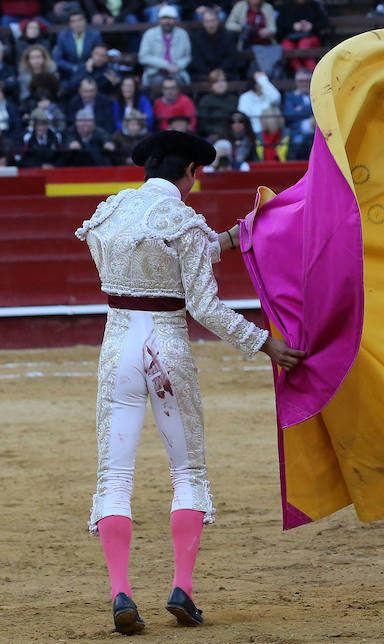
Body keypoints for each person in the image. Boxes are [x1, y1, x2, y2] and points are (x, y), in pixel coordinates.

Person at [74, 130, 304, 635]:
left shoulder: (109, 213)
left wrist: (224, 240)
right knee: (187, 473)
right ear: (191, 174)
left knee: (114, 478)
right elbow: (201, 303)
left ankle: (120, 593)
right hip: (167, 351)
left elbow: (149, 259)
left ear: (146, 170)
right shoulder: (185, 221)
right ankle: (182, 588)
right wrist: (264, 342)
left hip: (118, 350)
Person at [226, 0, 282, 77]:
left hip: (264, 44)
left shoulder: (268, 7)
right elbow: (229, 24)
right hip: (245, 43)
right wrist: (242, 28)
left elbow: (273, 28)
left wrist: (267, 31)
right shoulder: (240, 6)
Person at [138, 6, 192, 86]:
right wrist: (166, 65)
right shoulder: (149, 34)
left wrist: (178, 66)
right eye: (164, 18)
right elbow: (143, 57)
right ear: (159, 20)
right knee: (158, 82)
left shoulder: (182, 34)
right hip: (155, 73)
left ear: (175, 20)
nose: (167, 21)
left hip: (177, 73)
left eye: (171, 19)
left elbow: (188, 56)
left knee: (179, 83)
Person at [277, 0, 330, 72]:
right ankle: (301, 73)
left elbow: (325, 22)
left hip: (311, 37)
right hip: (291, 38)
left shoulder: (314, 5)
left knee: (304, 44)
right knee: (286, 45)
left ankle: (314, 73)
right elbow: (280, 25)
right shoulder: (286, 6)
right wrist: (293, 26)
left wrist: (311, 26)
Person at [189, 9, 240, 81]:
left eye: (213, 21)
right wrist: (210, 73)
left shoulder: (228, 36)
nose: (210, 24)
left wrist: (219, 72)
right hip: (204, 73)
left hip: (225, 72)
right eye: (207, 21)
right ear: (203, 23)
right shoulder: (196, 38)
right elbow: (196, 59)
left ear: (217, 21)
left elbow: (231, 57)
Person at [52, 10, 103, 81]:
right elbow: (58, 59)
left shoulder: (95, 35)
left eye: (80, 20)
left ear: (85, 21)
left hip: (91, 72)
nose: (77, 23)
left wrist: (92, 60)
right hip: (69, 74)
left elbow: (100, 53)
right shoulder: (63, 36)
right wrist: (74, 68)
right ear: (70, 24)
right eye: (73, 21)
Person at [237, 70, 281, 135]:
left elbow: (276, 98)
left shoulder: (270, 95)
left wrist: (263, 80)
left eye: (264, 82)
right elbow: (243, 116)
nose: (262, 85)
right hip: (251, 132)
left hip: (269, 132)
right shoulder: (245, 97)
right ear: (254, 84)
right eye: (259, 82)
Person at [196, 69, 237, 138]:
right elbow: (203, 123)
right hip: (213, 135)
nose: (220, 84)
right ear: (211, 85)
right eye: (216, 82)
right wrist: (217, 132)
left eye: (223, 81)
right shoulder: (206, 101)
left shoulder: (233, 99)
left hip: (232, 134)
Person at [283, 67, 314, 154]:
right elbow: (289, 115)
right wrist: (310, 109)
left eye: (307, 80)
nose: (304, 84)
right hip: (298, 134)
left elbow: (321, 112)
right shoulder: (290, 96)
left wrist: (300, 110)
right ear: (296, 82)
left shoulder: (318, 95)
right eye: (301, 81)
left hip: (317, 134)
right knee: (298, 142)